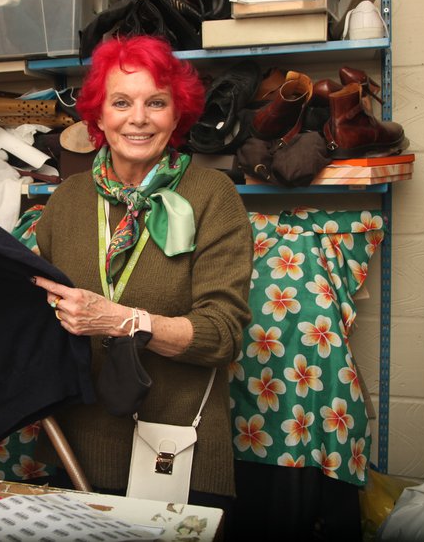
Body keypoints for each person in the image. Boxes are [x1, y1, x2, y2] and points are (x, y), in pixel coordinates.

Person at [31, 34, 253, 515]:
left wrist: (120, 321)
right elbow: (34, 313)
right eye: (121, 102)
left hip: (176, 447)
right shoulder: (65, 201)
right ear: (98, 115)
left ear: (177, 115)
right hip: (74, 449)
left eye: (156, 102)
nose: (138, 118)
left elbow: (222, 335)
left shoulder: (212, 195)